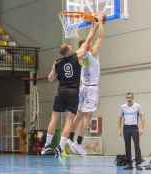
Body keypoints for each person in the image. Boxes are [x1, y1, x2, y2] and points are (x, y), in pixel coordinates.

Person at [41, 20, 99, 158]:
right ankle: (60, 147)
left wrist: (54, 69)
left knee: (54, 118)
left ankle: (46, 146)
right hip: (73, 92)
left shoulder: (57, 62)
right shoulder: (77, 56)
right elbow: (89, 39)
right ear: (68, 50)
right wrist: (94, 26)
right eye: (69, 45)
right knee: (68, 121)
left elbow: (50, 79)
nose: (71, 46)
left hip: (61, 91)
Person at [68, 14, 105, 156]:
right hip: (91, 88)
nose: (91, 44)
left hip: (82, 87)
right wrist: (100, 22)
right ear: (87, 46)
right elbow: (100, 38)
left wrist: (93, 26)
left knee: (78, 115)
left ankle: (70, 140)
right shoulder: (91, 54)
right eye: (89, 44)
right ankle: (78, 142)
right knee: (87, 116)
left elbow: (93, 39)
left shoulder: (80, 57)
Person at [117, 92, 145, 170]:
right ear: (126, 98)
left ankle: (138, 164)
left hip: (134, 128)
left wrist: (142, 128)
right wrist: (119, 129)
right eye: (127, 98)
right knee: (127, 146)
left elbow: (142, 117)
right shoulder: (123, 107)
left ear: (133, 98)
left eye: (130, 98)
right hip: (126, 128)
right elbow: (119, 118)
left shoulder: (137, 106)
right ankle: (129, 164)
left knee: (137, 146)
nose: (129, 99)